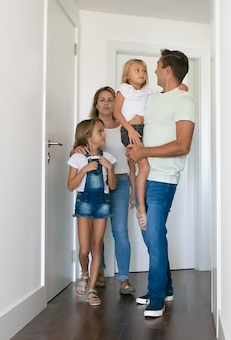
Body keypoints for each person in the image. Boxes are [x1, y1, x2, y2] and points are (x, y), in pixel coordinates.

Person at [126, 49, 196, 318]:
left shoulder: (185, 100)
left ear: (168, 69)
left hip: (163, 178)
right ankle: (165, 287)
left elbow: (183, 145)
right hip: (146, 174)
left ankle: (157, 297)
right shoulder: (155, 99)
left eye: (157, 66)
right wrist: (137, 152)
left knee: (153, 235)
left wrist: (145, 153)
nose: (153, 71)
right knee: (150, 235)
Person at [67, 118, 117, 306]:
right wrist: (84, 170)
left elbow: (111, 186)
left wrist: (110, 168)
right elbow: (70, 186)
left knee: (97, 247)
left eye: (103, 131)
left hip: (102, 204)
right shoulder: (77, 158)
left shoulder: (108, 158)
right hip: (84, 203)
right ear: (88, 136)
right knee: (84, 249)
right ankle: (84, 274)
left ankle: (92, 289)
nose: (104, 135)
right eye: (100, 131)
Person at [113, 59, 152, 232]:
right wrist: (129, 130)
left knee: (133, 167)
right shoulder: (124, 89)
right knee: (143, 166)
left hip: (145, 130)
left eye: (144, 70)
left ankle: (134, 197)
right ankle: (141, 208)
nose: (142, 73)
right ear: (127, 74)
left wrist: (181, 87)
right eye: (137, 70)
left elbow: (165, 95)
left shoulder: (147, 92)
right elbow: (116, 111)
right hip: (131, 130)